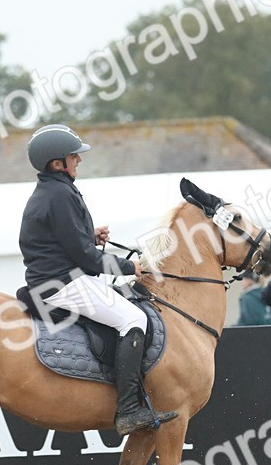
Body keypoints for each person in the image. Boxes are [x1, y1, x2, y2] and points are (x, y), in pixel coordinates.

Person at [19, 123, 175, 436]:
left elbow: (64, 241)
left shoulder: (54, 190)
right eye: (74, 156)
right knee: (133, 319)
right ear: (56, 163)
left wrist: (88, 236)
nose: (79, 160)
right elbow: (85, 259)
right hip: (62, 283)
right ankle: (129, 409)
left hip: (58, 276)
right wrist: (129, 268)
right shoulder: (60, 194)